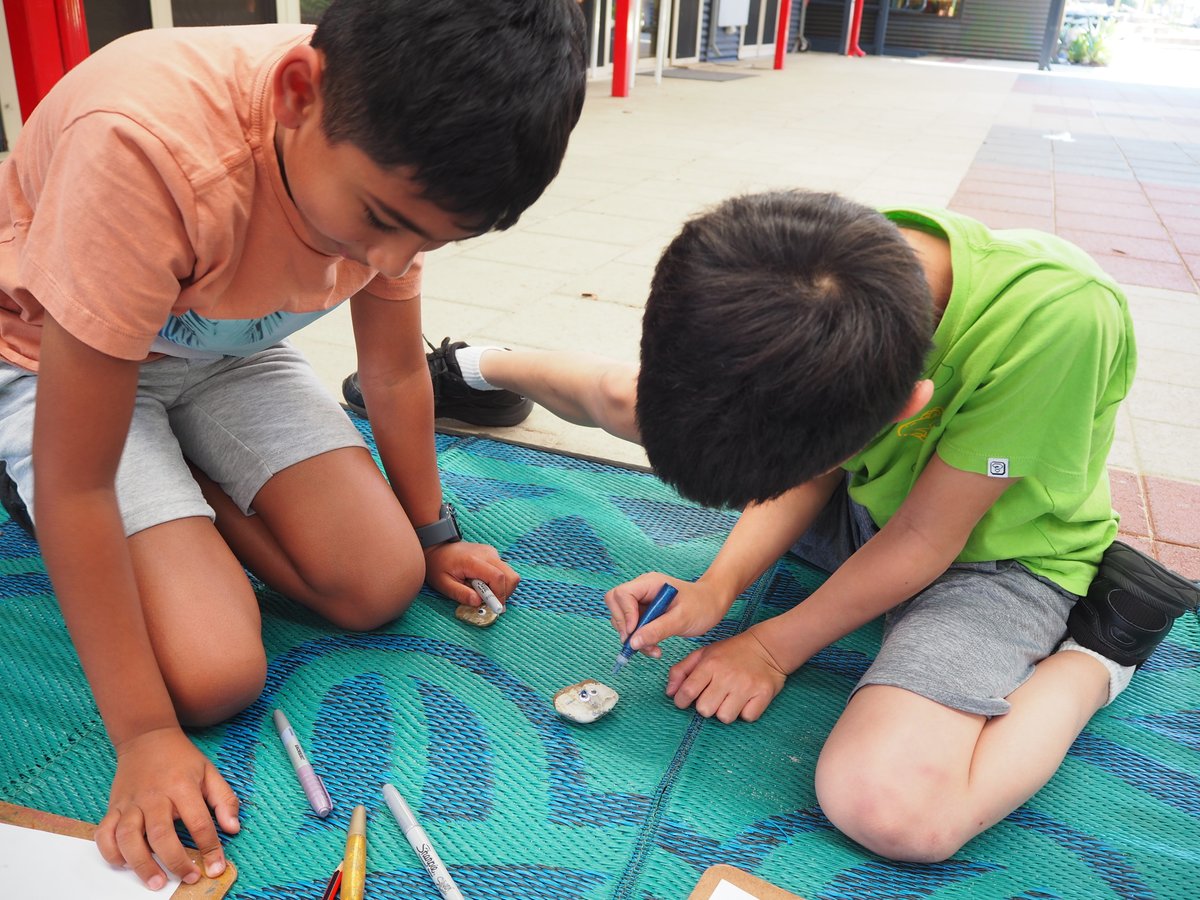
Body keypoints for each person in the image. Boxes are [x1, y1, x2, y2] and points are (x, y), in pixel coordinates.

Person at [380, 190, 1199, 862]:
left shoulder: (1059, 319)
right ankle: (476, 363)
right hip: (866, 500)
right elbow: (806, 464)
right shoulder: (808, 271)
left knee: (891, 807)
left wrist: (771, 647)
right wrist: (716, 587)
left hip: (991, 555)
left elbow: (925, 540)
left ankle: (1101, 653)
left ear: (907, 406)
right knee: (640, 404)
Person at [0, 0, 586, 889]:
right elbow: (77, 479)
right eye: (379, 219)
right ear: (297, 94)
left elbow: (394, 370)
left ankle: (185, 477)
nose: (388, 263)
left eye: (428, 241)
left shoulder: (400, 150)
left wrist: (434, 534)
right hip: (58, 366)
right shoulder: (144, 148)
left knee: (380, 581)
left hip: (230, 352)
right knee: (212, 676)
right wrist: (145, 735)